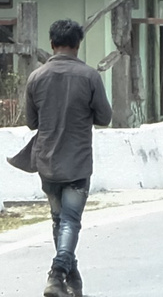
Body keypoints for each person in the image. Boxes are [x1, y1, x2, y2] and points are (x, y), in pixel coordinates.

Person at [19, 19, 112, 297]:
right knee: (70, 221)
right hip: (77, 162)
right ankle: (57, 273)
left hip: (46, 162)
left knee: (59, 221)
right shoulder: (90, 77)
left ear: (52, 44)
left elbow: (31, 122)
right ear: (78, 44)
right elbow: (105, 117)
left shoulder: (36, 77)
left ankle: (72, 279)